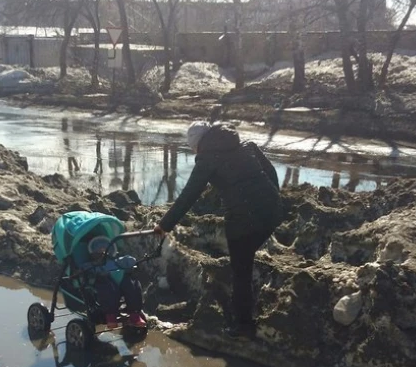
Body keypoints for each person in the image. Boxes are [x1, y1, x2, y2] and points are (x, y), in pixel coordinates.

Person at [153, 121, 282, 338]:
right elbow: (271, 173)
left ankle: (243, 326)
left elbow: (189, 196)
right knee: (245, 261)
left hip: (243, 220)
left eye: (193, 147)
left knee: (241, 271)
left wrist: (164, 225)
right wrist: (272, 200)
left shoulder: (207, 159)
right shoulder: (247, 146)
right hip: (273, 212)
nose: (194, 151)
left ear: (198, 144)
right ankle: (247, 310)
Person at [84, 234, 147, 329]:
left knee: (133, 285)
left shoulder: (114, 261)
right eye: (99, 250)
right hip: (104, 282)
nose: (102, 252)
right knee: (108, 288)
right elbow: (84, 269)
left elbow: (130, 260)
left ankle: (135, 314)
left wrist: (129, 262)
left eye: (104, 249)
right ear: (93, 253)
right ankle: (111, 316)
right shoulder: (92, 265)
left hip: (120, 281)